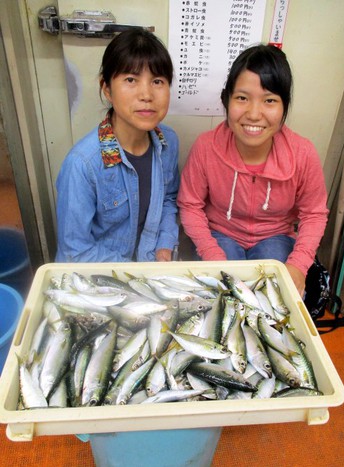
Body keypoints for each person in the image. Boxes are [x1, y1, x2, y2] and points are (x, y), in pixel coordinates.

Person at [177, 44, 328, 296]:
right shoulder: (206, 146)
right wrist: (211, 253)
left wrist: (298, 265)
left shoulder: (302, 153)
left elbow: (314, 214)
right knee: (221, 296)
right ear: (227, 100)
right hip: (221, 235)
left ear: (284, 107)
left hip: (275, 237)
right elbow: (190, 205)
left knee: (277, 297)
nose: (254, 114)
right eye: (242, 98)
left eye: (269, 100)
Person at [55, 28, 179, 263]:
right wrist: (139, 274)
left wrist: (164, 245)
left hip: (150, 263)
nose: (146, 94)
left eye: (157, 81)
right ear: (107, 89)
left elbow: (168, 199)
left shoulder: (168, 142)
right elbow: (76, 251)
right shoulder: (82, 164)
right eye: (131, 80)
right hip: (100, 278)